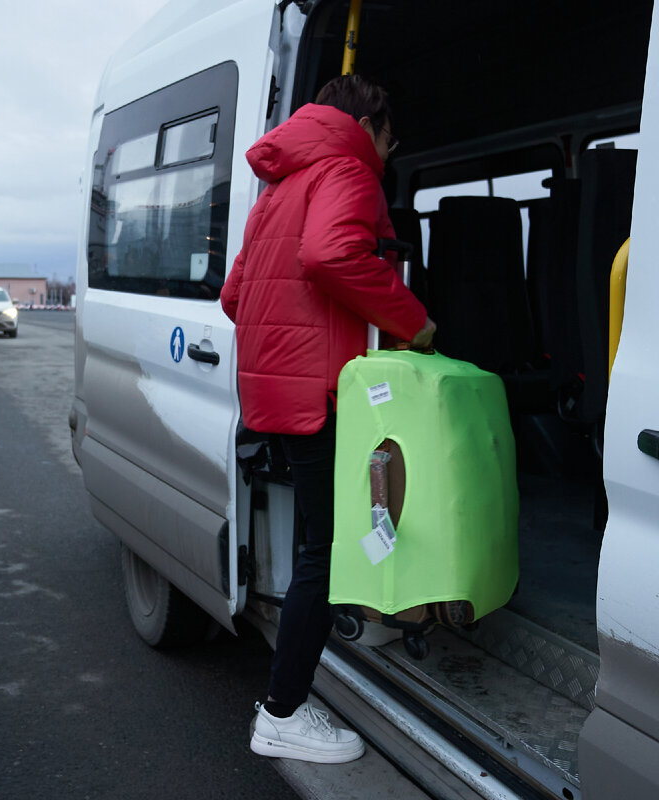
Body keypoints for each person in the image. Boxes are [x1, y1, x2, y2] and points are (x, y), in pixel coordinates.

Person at [221, 74, 435, 764]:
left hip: (278, 396)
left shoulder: (278, 189)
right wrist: (415, 323)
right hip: (323, 396)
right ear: (369, 125)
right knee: (326, 549)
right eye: (391, 138)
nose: (390, 152)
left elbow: (234, 297)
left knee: (322, 540)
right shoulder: (347, 169)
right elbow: (332, 255)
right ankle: (282, 711)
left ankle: (306, 676)